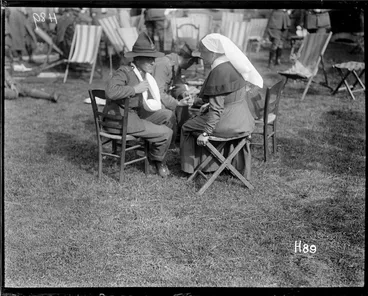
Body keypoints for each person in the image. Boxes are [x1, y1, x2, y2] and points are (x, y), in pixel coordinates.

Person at [180, 33, 263, 174]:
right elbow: (228, 98)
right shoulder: (233, 65)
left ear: (213, 53)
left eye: (203, 53)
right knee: (202, 116)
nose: (201, 57)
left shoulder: (219, 72)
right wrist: (205, 104)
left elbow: (217, 109)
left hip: (227, 122)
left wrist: (206, 133)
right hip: (243, 120)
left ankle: (192, 166)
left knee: (187, 126)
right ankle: (219, 162)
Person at [103, 32, 174, 178]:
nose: (153, 62)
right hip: (120, 120)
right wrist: (135, 89)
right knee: (167, 133)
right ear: (138, 58)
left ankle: (153, 155)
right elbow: (110, 92)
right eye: (149, 59)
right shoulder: (125, 71)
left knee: (168, 115)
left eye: (153, 59)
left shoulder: (144, 74)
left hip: (132, 116)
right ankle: (157, 161)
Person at [152, 41, 199, 143]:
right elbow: (158, 93)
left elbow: (177, 84)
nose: (192, 66)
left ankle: (181, 135)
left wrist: (184, 93)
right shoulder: (164, 65)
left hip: (160, 99)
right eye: (193, 63)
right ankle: (170, 140)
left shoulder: (175, 65)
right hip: (150, 102)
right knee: (173, 111)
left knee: (183, 103)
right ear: (190, 60)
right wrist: (177, 103)